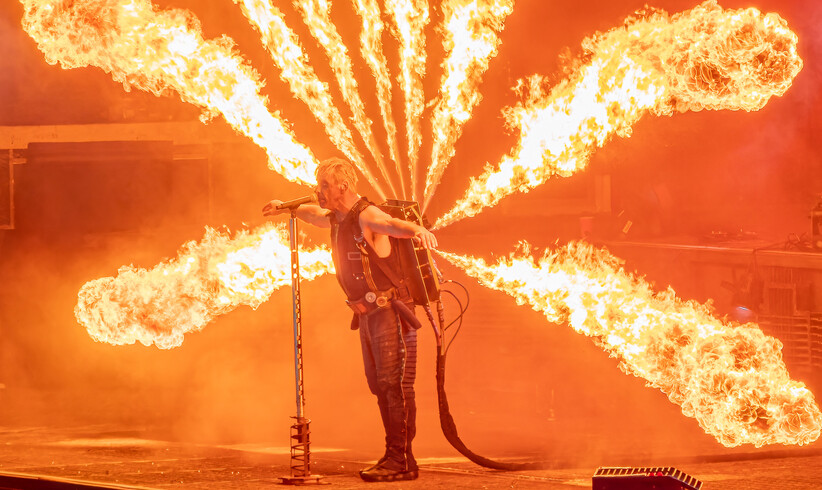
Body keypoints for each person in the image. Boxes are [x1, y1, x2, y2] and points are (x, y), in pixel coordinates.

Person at [262, 157, 437, 482]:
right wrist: (285, 207)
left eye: (325, 185)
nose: (319, 190)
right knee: (380, 386)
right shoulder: (338, 218)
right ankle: (397, 457)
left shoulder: (366, 215)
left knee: (394, 386)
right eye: (319, 184)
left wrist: (417, 230)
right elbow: (312, 214)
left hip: (391, 315)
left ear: (344, 186)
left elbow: (391, 224)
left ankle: (400, 460)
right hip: (370, 316)